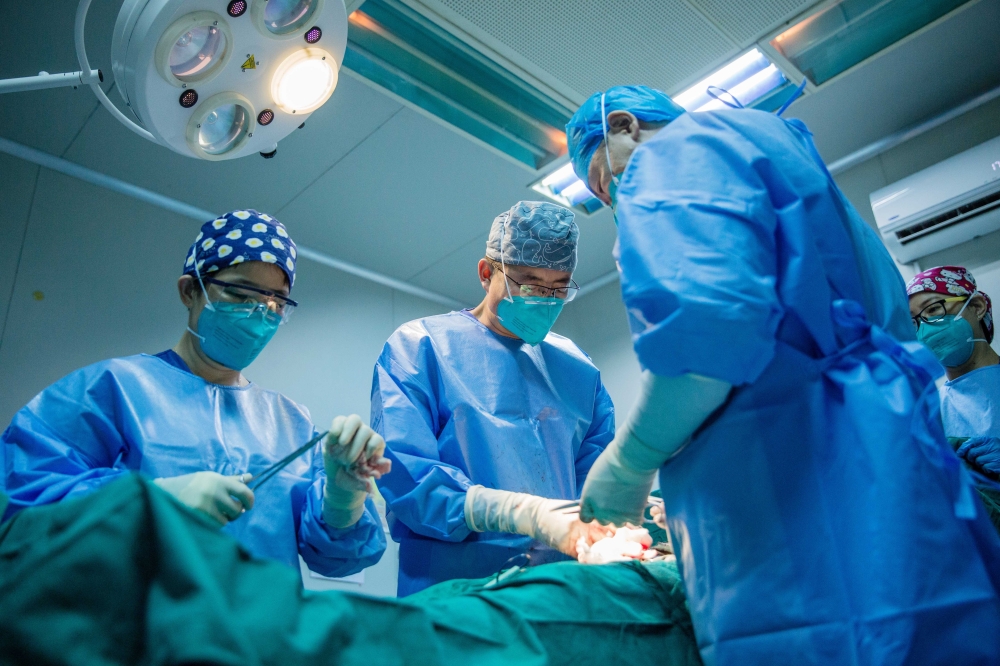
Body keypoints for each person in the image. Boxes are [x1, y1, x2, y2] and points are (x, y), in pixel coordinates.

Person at [565, 85, 1000, 662]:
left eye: (605, 182)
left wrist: (631, 458)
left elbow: (708, 339)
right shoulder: (775, 149)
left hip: (800, 499)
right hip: (887, 468)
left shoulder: (673, 156)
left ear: (624, 128)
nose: (619, 201)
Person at [2, 209, 388, 579]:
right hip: (130, 635)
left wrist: (343, 497)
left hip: (252, 636)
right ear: (191, 291)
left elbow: (337, 559)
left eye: (275, 302)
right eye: (240, 295)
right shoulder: (113, 388)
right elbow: (20, 506)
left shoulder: (292, 423)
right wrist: (150, 502)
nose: (259, 313)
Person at [372, 201, 614, 596]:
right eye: (530, 284)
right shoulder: (420, 348)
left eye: (557, 289)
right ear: (487, 273)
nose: (544, 299)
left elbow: (599, 489)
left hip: (560, 590)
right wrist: (521, 514)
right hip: (455, 590)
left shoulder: (580, 371)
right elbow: (408, 479)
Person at [908, 266, 1000, 529]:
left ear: (978, 306)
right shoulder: (927, 413)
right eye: (913, 322)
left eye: (934, 309)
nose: (925, 328)